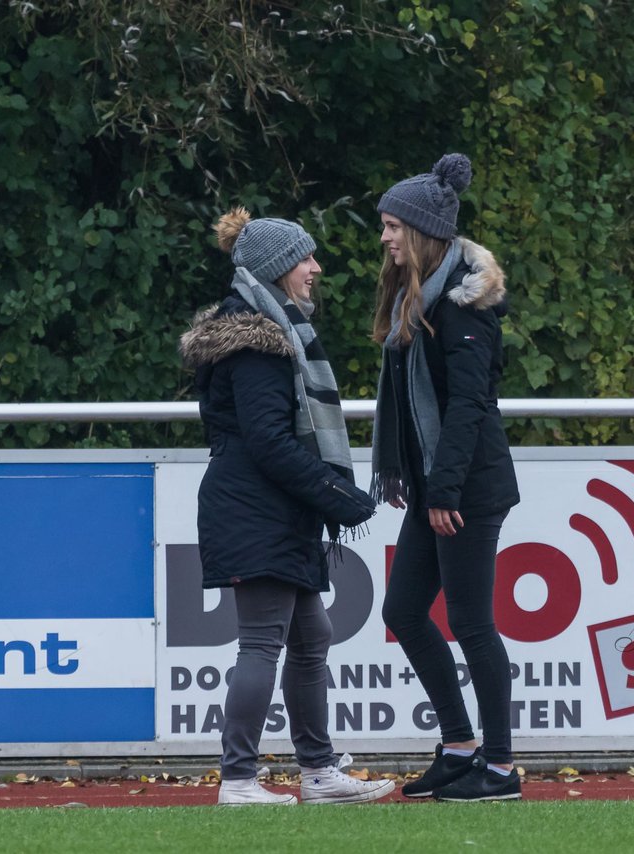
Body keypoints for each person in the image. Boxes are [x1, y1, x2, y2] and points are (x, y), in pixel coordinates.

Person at [180, 207, 394, 807]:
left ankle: (319, 771)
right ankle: (240, 780)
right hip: (255, 508)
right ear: (276, 269)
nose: (315, 268)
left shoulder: (268, 333)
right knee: (262, 642)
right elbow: (268, 440)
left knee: (311, 635)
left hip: (271, 509)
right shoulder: (258, 342)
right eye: (305, 258)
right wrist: (334, 494)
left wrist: (325, 496)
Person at [370, 153, 522, 802]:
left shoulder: (461, 302)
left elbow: (467, 408)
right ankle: (460, 747)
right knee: (403, 610)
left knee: (471, 622)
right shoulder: (422, 290)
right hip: (438, 483)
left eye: (393, 226)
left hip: (465, 487)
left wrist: (445, 491)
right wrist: (412, 473)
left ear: (424, 230)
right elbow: (419, 403)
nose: (385, 237)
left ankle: (502, 767)